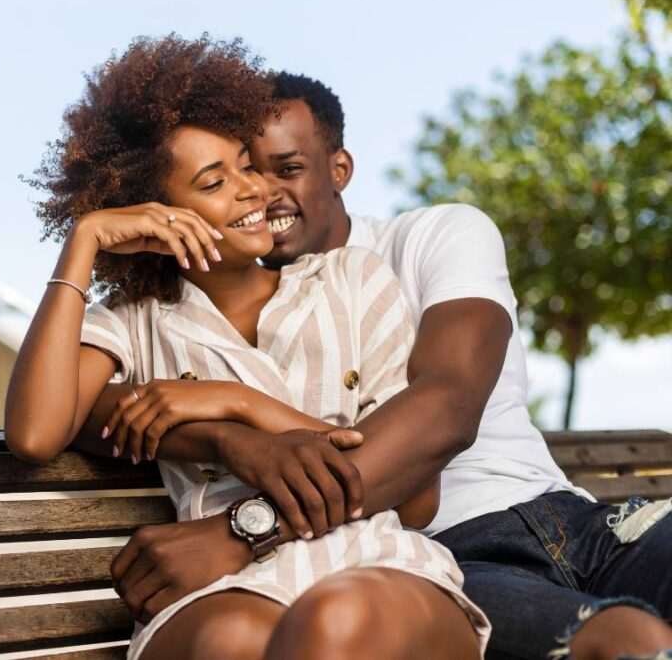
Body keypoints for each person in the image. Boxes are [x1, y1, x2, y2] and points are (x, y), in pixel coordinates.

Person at [81, 71, 672, 660]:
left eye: (287, 168)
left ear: (339, 169)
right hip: (447, 558)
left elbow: (447, 406)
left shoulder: (429, 237)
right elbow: (84, 413)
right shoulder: (191, 317)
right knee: (619, 646)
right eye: (244, 170)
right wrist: (224, 432)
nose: (262, 192)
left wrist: (245, 527)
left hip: (578, 519)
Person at [5, 34, 489, 660]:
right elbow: (36, 433)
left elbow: (419, 498)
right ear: (155, 210)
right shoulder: (133, 322)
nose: (251, 189)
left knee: (335, 624)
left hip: (371, 556)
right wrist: (85, 239)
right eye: (213, 182)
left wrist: (238, 405)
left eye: (244, 163)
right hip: (217, 582)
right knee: (231, 641)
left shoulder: (352, 280)